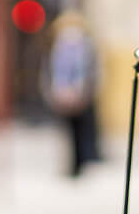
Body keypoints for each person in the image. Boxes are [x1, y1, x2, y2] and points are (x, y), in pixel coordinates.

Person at [43, 11, 100, 177]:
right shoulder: (63, 48)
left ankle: (79, 163)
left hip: (75, 95)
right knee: (70, 131)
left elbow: (88, 72)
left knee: (78, 131)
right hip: (68, 94)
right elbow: (53, 72)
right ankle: (74, 164)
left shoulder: (80, 48)